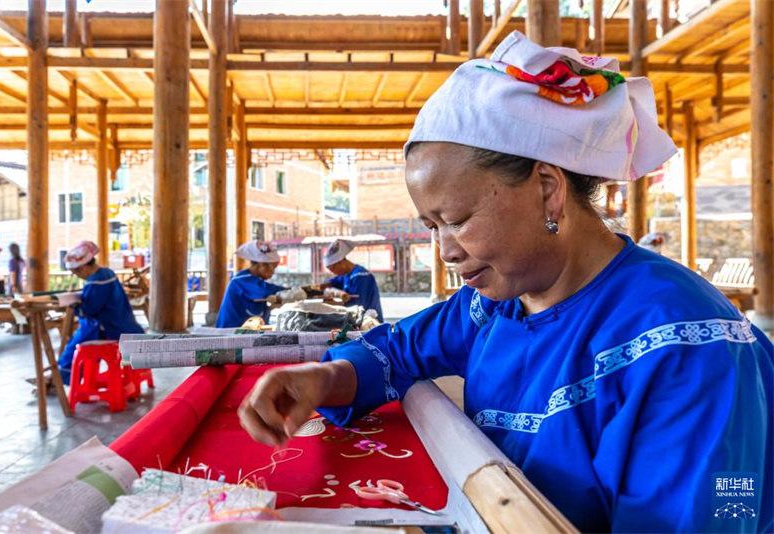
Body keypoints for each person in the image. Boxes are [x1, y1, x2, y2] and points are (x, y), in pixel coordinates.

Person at [236, 32, 773, 533]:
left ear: (547, 189)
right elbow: (397, 353)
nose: (445, 251)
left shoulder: (688, 348)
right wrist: (320, 378)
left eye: (458, 219)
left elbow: (708, 514)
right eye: (432, 227)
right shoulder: (497, 305)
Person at [52, 241, 143, 385]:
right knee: (81, 334)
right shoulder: (107, 273)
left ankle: (59, 378)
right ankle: (68, 376)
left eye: (76, 273)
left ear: (82, 268)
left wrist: (74, 306)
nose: (78, 277)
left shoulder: (96, 281)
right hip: (127, 324)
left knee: (74, 346)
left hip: (111, 328)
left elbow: (89, 310)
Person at [215, 241, 287, 328]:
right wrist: (292, 292)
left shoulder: (254, 281)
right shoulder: (241, 280)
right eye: (273, 267)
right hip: (230, 331)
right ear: (262, 264)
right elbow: (265, 291)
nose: (273, 272)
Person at [319, 239, 384, 322]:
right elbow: (331, 283)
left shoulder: (361, 276)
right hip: (357, 321)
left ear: (341, 262)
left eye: (333, 269)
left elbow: (357, 306)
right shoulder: (346, 275)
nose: (333, 272)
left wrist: (333, 305)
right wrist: (326, 288)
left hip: (369, 323)